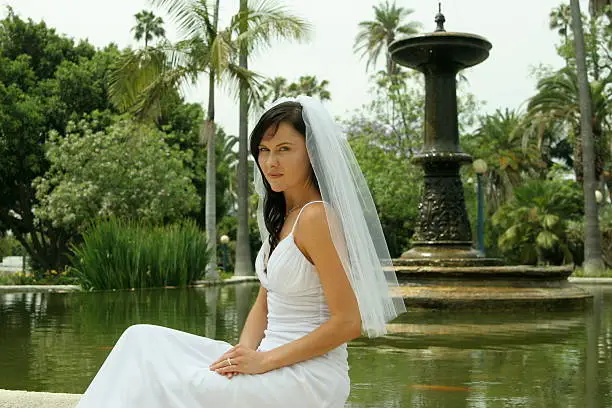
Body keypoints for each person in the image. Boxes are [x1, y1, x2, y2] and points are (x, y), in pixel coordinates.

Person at [74, 95, 405, 408]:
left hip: (308, 376)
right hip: (267, 358)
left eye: (285, 149)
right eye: (264, 149)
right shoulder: (282, 216)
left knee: (166, 377)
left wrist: (263, 361)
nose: (270, 162)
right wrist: (242, 354)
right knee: (140, 339)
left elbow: (348, 322)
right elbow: (264, 304)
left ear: (311, 153)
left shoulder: (317, 217)